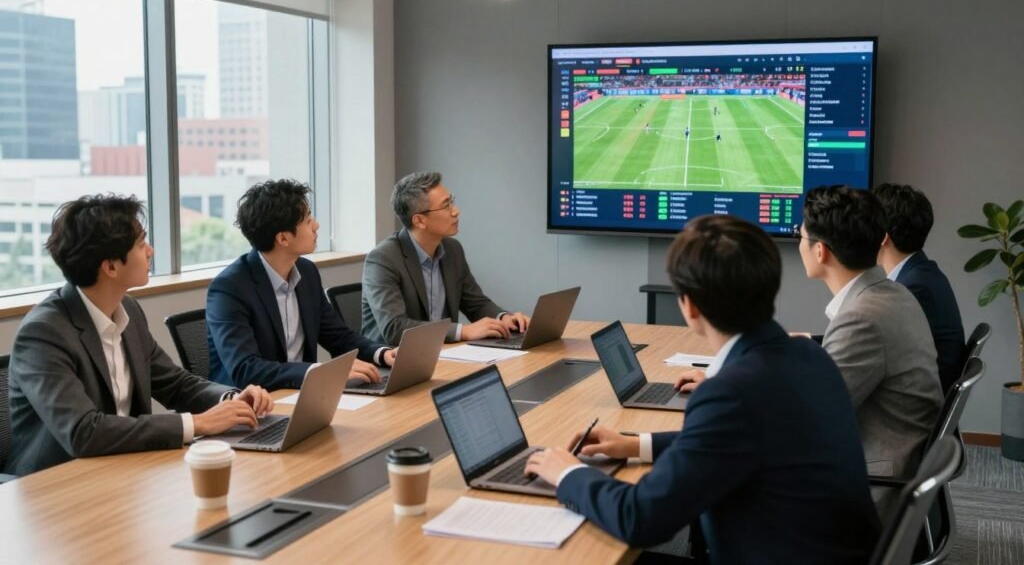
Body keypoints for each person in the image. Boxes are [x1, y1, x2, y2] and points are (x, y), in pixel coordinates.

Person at [525, 215, 880, 564]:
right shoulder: (808, 355)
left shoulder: (731, 393)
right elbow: (736, 441)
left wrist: (568, 473)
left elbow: (641, 519)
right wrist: (637, 444)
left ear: (689, 306)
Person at [6, 195, 273, 476]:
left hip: (123, 469)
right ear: (110, 266)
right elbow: (82, 432)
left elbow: (175, 384)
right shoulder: (43, 333)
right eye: (140, 243)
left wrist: (230, 401)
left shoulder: (127, 309)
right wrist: (198, 423)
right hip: (56, 484)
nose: (151, 251)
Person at [798, 185, 943, 520]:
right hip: (890, 466)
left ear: (820, 251)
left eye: (799, 235)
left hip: (871, 488)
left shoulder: (862, 318)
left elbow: (807, 417)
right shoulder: (893, 294)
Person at [207, 180, 394, 391]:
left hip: (303, 395)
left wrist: (382, 353)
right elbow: (246, 369)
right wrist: (319, 373)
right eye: (307, 220)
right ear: (283, 238)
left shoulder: (306, 272)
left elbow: (338, 337)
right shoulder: (230, 288)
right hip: (251, 406)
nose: (316, 225)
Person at [361, 171, 529, 346]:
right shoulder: (383, 259)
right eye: (446, 206)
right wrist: (462, 331)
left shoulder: (452, 250)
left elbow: (475, 303)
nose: (456, 211)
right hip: (393, 363)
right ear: (419, 220)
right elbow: (394, 328)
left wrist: (504, 318)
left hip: (444, 353)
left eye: (452, 201)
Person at [875, 183, 966, 393]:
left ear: (882, 236)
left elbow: (877, 356)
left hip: (916, 412)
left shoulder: (913, 288)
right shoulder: (921, 274)